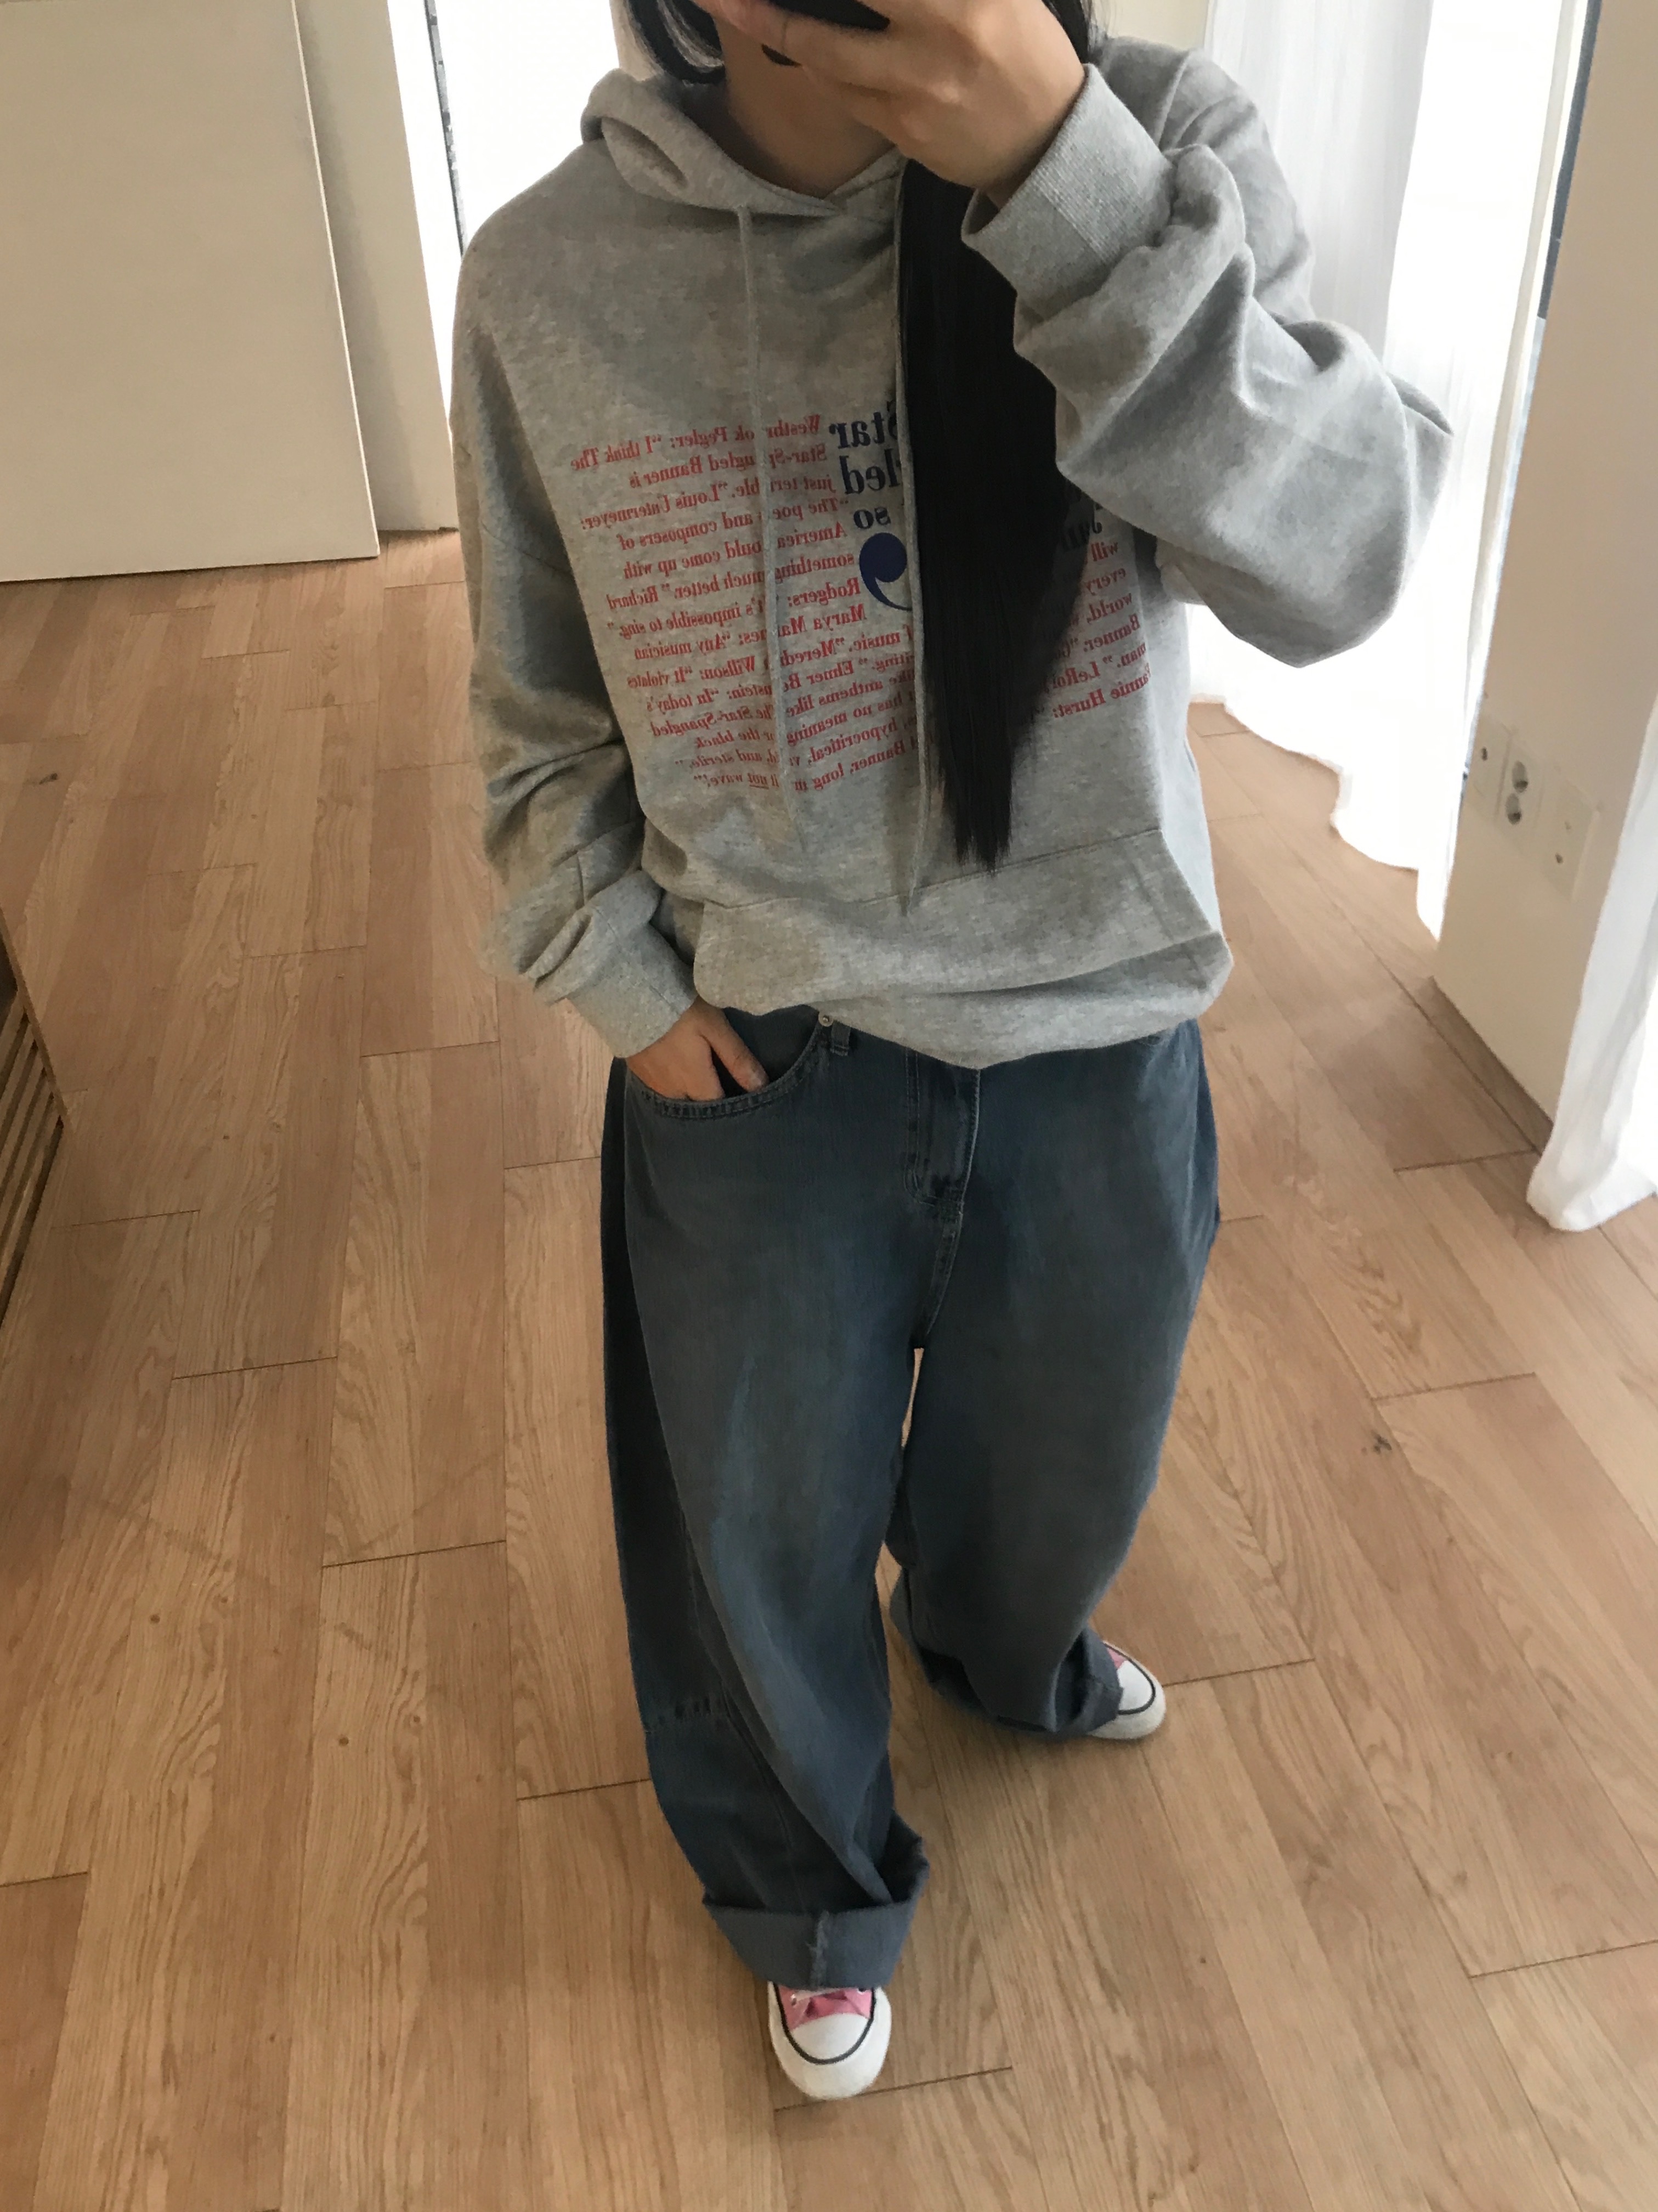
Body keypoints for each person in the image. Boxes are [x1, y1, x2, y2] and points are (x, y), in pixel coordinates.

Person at [451, 0, 1450, 2102]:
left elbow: (1343, 563)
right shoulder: (550, 271)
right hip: (757, 1053)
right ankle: (806, 1885)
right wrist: (618, 979)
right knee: (748, 1530)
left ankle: (1004, 1654)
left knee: (1060, 1479)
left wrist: (1064, 186)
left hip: (1100, 1022)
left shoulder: (1160, 144)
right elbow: (537, 703)